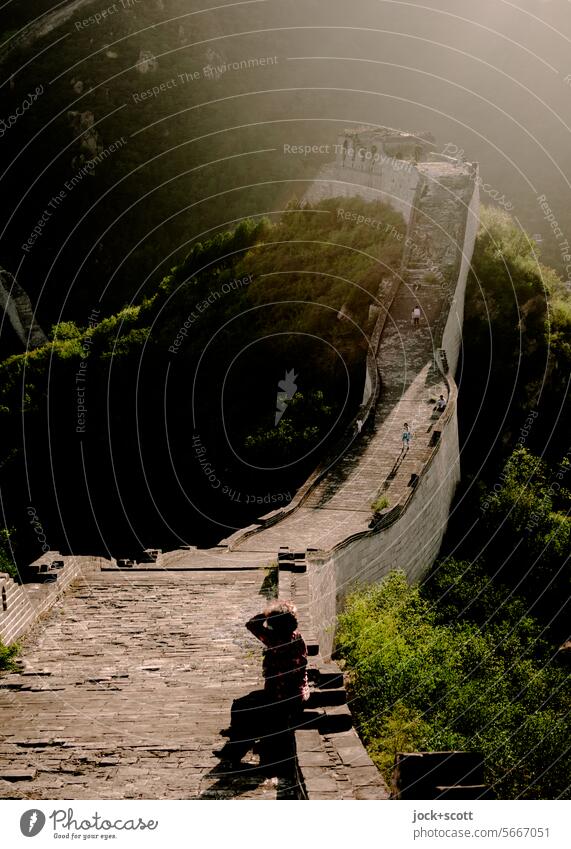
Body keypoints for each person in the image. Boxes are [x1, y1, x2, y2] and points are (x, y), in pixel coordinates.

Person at [216, 601, 309, 769]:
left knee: (242, 708)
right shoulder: (296, 637)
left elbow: (252, 624)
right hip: (296, 693)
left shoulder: (275, 640)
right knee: (248, 707)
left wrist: (266, 614)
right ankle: (233, 749)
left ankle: (234, 749)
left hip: (282, 696)